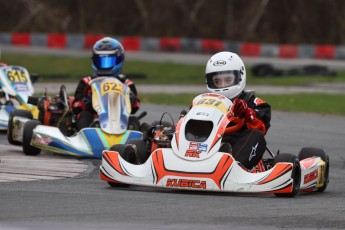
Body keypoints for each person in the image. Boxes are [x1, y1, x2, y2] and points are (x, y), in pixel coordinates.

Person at [205, 51, 271, 170]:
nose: (222, 85)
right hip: (206, 146)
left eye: (227, 80)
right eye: (217, 81)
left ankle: (234, 167)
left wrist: (247, 113)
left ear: (240, 76)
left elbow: (262, 127)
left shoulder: (254, 102)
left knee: (257, 135)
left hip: (239, 148)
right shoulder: (205, 102)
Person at [72, 37, 140, 130]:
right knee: (84, 115)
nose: (105, 66)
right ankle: (84, 137)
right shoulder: (86, 82)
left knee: (133, 120)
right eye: (100, 62)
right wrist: (86, 102)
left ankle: (133, 140)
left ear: (119, 60)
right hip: (94, 120)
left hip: (120, 121)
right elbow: (76, 106)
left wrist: (131, 100)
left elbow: (135, 107)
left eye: (109, 62)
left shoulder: (126, 84)